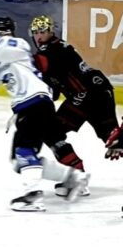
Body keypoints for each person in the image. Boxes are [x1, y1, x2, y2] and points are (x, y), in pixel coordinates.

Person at [0, 9, 90, 211]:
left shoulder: (16, 45)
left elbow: (2, 45)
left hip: (34, 103)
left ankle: (32, 196)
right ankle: (74, 177)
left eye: (5, 31)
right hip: (37, 105)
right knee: (19, 160)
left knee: (25, 152)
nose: (2, 34)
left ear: (11, 32)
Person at [30, 14, 123, 186]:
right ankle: (78, 175)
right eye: (35, 32)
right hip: (102, 91)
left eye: (42, 31)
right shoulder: (59, 46)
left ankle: (77, 175)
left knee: (51, 133)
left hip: (86, 95)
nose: (39, 36)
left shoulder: (48, 52)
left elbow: (39, 66)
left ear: (51, 32)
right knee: (114, 141)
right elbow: (56, 91)